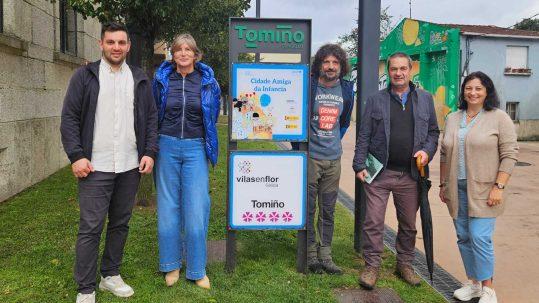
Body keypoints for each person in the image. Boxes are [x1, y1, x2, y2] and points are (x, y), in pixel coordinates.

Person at [60, 22, 158, 303]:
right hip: (94, 166)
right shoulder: (84, 76)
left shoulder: (139, 78)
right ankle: (86, 288)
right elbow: (69, 118)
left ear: (129, 46)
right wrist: (76, 156)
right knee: (91, 226)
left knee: (120, 223)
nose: (116, 47)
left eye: (121, 42)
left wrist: (149, 151)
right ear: (101, 44)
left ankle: (110, 275)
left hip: (129, 165)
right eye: (111, 42)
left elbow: (151, 118)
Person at [352, 52, 439, 289]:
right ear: (388, 72)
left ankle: (404, 265)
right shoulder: (376, 100)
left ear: (410, 70)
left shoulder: (425, 99)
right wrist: (359, 164)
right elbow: (365, 134)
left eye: (403, 68)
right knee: (373, 221)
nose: (398, 73)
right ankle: (371, 266)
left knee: (408, 224)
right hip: (378, 171)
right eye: (393, 69)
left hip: (410, 175)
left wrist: (427, 152)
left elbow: (433, 133)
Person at [439, 71, 518, 303]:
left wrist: (499, 186)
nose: (473, 93)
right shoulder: (453, 118)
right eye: (469, 88)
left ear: (486, 92)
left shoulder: (498, 117)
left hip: (485, 190)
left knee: (479, 236)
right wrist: (444, 184)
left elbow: (510, 154)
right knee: (463, 236)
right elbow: (444, 153)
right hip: (456, 188)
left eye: (478, 89)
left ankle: (488, 289)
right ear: (463, 91)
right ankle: (473, 283)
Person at [152, 33, 220, 289]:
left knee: (196, 208)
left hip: (195, 148)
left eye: (187, 49)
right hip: (166, 145)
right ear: (173, 53)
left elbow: (211, 117)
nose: (182, 53)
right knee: (168, 208)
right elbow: (153, 112)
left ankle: (197, 268)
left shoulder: (207, 81)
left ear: (195, 53)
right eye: (178, 49)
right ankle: (171, 265)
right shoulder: (161, 79)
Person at [293, 44, 354, 275]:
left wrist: (333, 141)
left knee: (328, 209)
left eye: (335, 62)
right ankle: (309, 254)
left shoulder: (347, 90)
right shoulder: (309, 86)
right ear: (319, 64)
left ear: (341, 66)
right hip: (311, 157)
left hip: (333, 160)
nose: (330, 66)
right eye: (326, 62)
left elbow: (345, 121)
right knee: (308, 207)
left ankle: (325, 255)